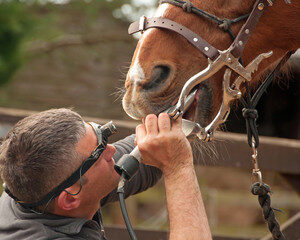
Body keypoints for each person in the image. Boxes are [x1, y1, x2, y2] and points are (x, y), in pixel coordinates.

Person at [0, 108, 212, 240]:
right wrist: (179, 167)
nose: (112, 150)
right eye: (98, 153)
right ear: (70, 197)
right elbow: (171, 159)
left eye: (101, 137)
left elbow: (151, 153)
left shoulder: (35, 190)